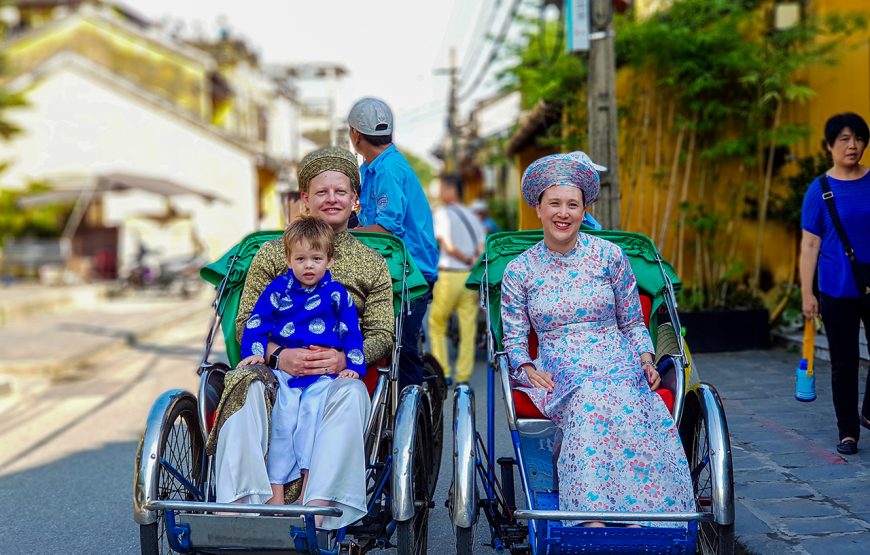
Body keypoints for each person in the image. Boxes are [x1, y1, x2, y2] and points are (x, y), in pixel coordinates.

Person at [500, 151, 694, 526]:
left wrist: (646, 360)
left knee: (631, 399)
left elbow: (634, 323)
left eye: (573, 204)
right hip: (559, 361)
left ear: (584, 210)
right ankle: (592, 518)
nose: (563, 213)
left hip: (615, 355)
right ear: (538, 208)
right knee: (589, 397)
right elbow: (514, 339)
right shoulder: (518, 270)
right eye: (554, 203)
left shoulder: (611, 256)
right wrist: (524, 367)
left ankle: (647, 516)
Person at [208, 146, 395, 529]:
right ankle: (241, 503)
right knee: (244, 382)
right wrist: (278, 356)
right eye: (321, 192)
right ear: (305, 200)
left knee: (351, 394)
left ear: (355, 200)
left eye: (340, 192)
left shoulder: (373, 264)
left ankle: (319, 505)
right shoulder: (272, 254)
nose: (331, 200)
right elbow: (247, 321)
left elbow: (382, 333)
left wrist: (344, 360)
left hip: (337, 371)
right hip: (277, 368)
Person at [238, 216, 366, 506]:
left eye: (316, 258)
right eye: (301, 258)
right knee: (282, 422)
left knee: (312, 416)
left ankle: (310, 486)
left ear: (329, 261)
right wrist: (257, 353)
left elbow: (352, 333)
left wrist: (352, 366)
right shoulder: (278, 290)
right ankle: (276, 491)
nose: (309, 265)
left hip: (323, 376)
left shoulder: (337, 295)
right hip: (285, 373)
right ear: (288, 259)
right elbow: (256, 323)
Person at [348, 97, 439, 390]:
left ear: (356, 135)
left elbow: (387, 229)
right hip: (388, 270)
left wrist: (342, 236)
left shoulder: (388, 169)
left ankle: (413, 412)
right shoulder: (370, 169)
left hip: (411, 274)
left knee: (401, 348)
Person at [800, 112, 870, 456]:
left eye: (858, 138)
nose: (852, 146)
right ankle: (848, 432)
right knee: (843, 362)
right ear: (829, 146)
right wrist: (806, 293)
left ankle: (868, 411)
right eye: (843, 139)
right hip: (836, 290)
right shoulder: (819, 191)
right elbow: (809, 245)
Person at [428, 176, 486, 384]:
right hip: (470, 277)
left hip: (448, 275)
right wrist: (472, 262)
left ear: (452, 189)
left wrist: (464, 258)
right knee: (468, 328)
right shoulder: (471, 215)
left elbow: (446, 244)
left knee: (436, 323)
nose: (440, 192)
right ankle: (463, 376)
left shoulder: (442, 213)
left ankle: (443, 371)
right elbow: (481, 248)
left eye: (443, 187)